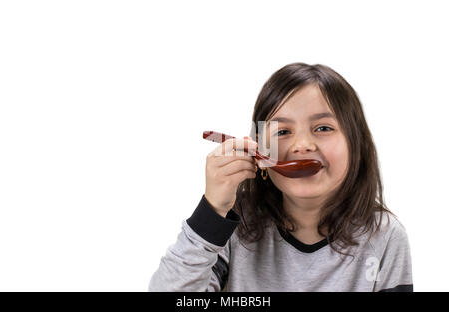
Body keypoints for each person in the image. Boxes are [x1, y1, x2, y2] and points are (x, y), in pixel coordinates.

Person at [148, 62, 413, 291]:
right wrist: (213, 211)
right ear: (259, 152)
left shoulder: (384, 235)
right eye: (282, 132)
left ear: (356, 144)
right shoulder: (235, 226)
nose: (303, 145)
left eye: (323, 127)